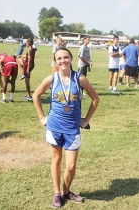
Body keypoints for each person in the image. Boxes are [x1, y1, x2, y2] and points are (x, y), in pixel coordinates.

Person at [33, 48, 99, 208]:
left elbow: (95, 98)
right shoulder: (51, 79)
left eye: (66, 57)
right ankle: (57, 193)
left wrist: (86, 120)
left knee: (71, 166)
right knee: (56, 160)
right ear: (55, 61)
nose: (63, 61)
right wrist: (42, 117)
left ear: (70, 59)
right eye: (59, 58)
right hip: (54, 127)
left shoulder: (80, 78)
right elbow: (36, 95)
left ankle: (66, 191)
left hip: (72, 129)